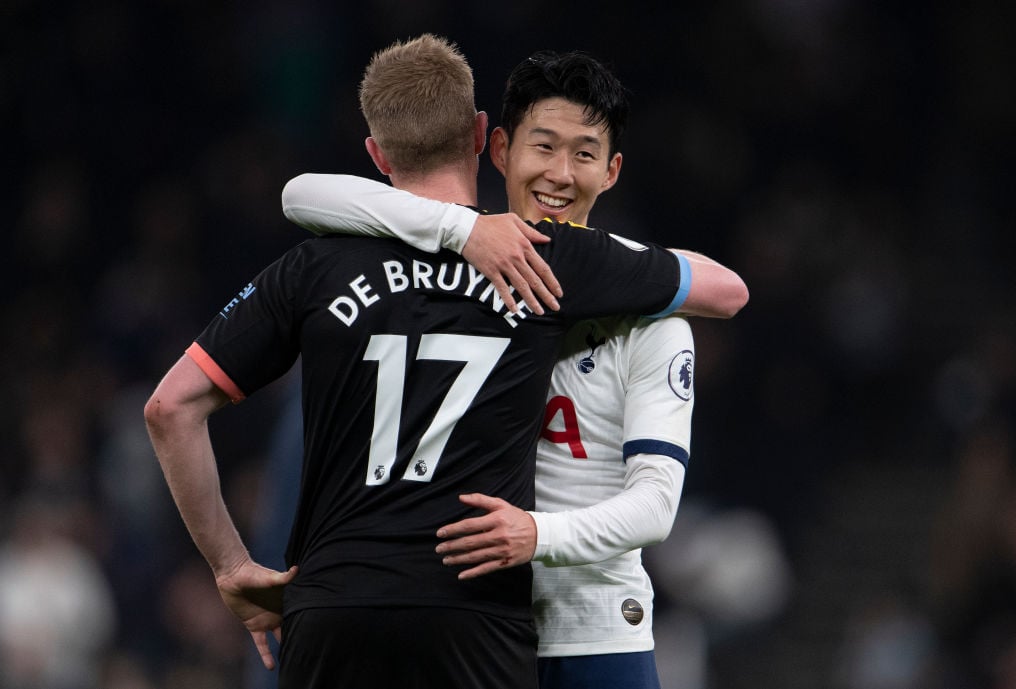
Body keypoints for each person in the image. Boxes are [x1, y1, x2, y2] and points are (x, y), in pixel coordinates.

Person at [145, 35, 708, 689]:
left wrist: (229, 565)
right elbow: (724, 289)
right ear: (482, 138)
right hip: (472, 612)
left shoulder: (312, 265)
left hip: (332, 605)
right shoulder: (542, 259)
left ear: (376, 155)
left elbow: (168, 406)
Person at [279, 49, 748, 688]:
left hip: (590, 632)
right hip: (470, 626)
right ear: (497, 149)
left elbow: (657, 506)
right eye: (543, 146)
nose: (560, 173)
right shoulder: (446, 282)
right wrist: (459, 230)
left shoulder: (651, 324)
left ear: (611, 171)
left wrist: (537, 534)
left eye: (584, 154)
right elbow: (303, 194)